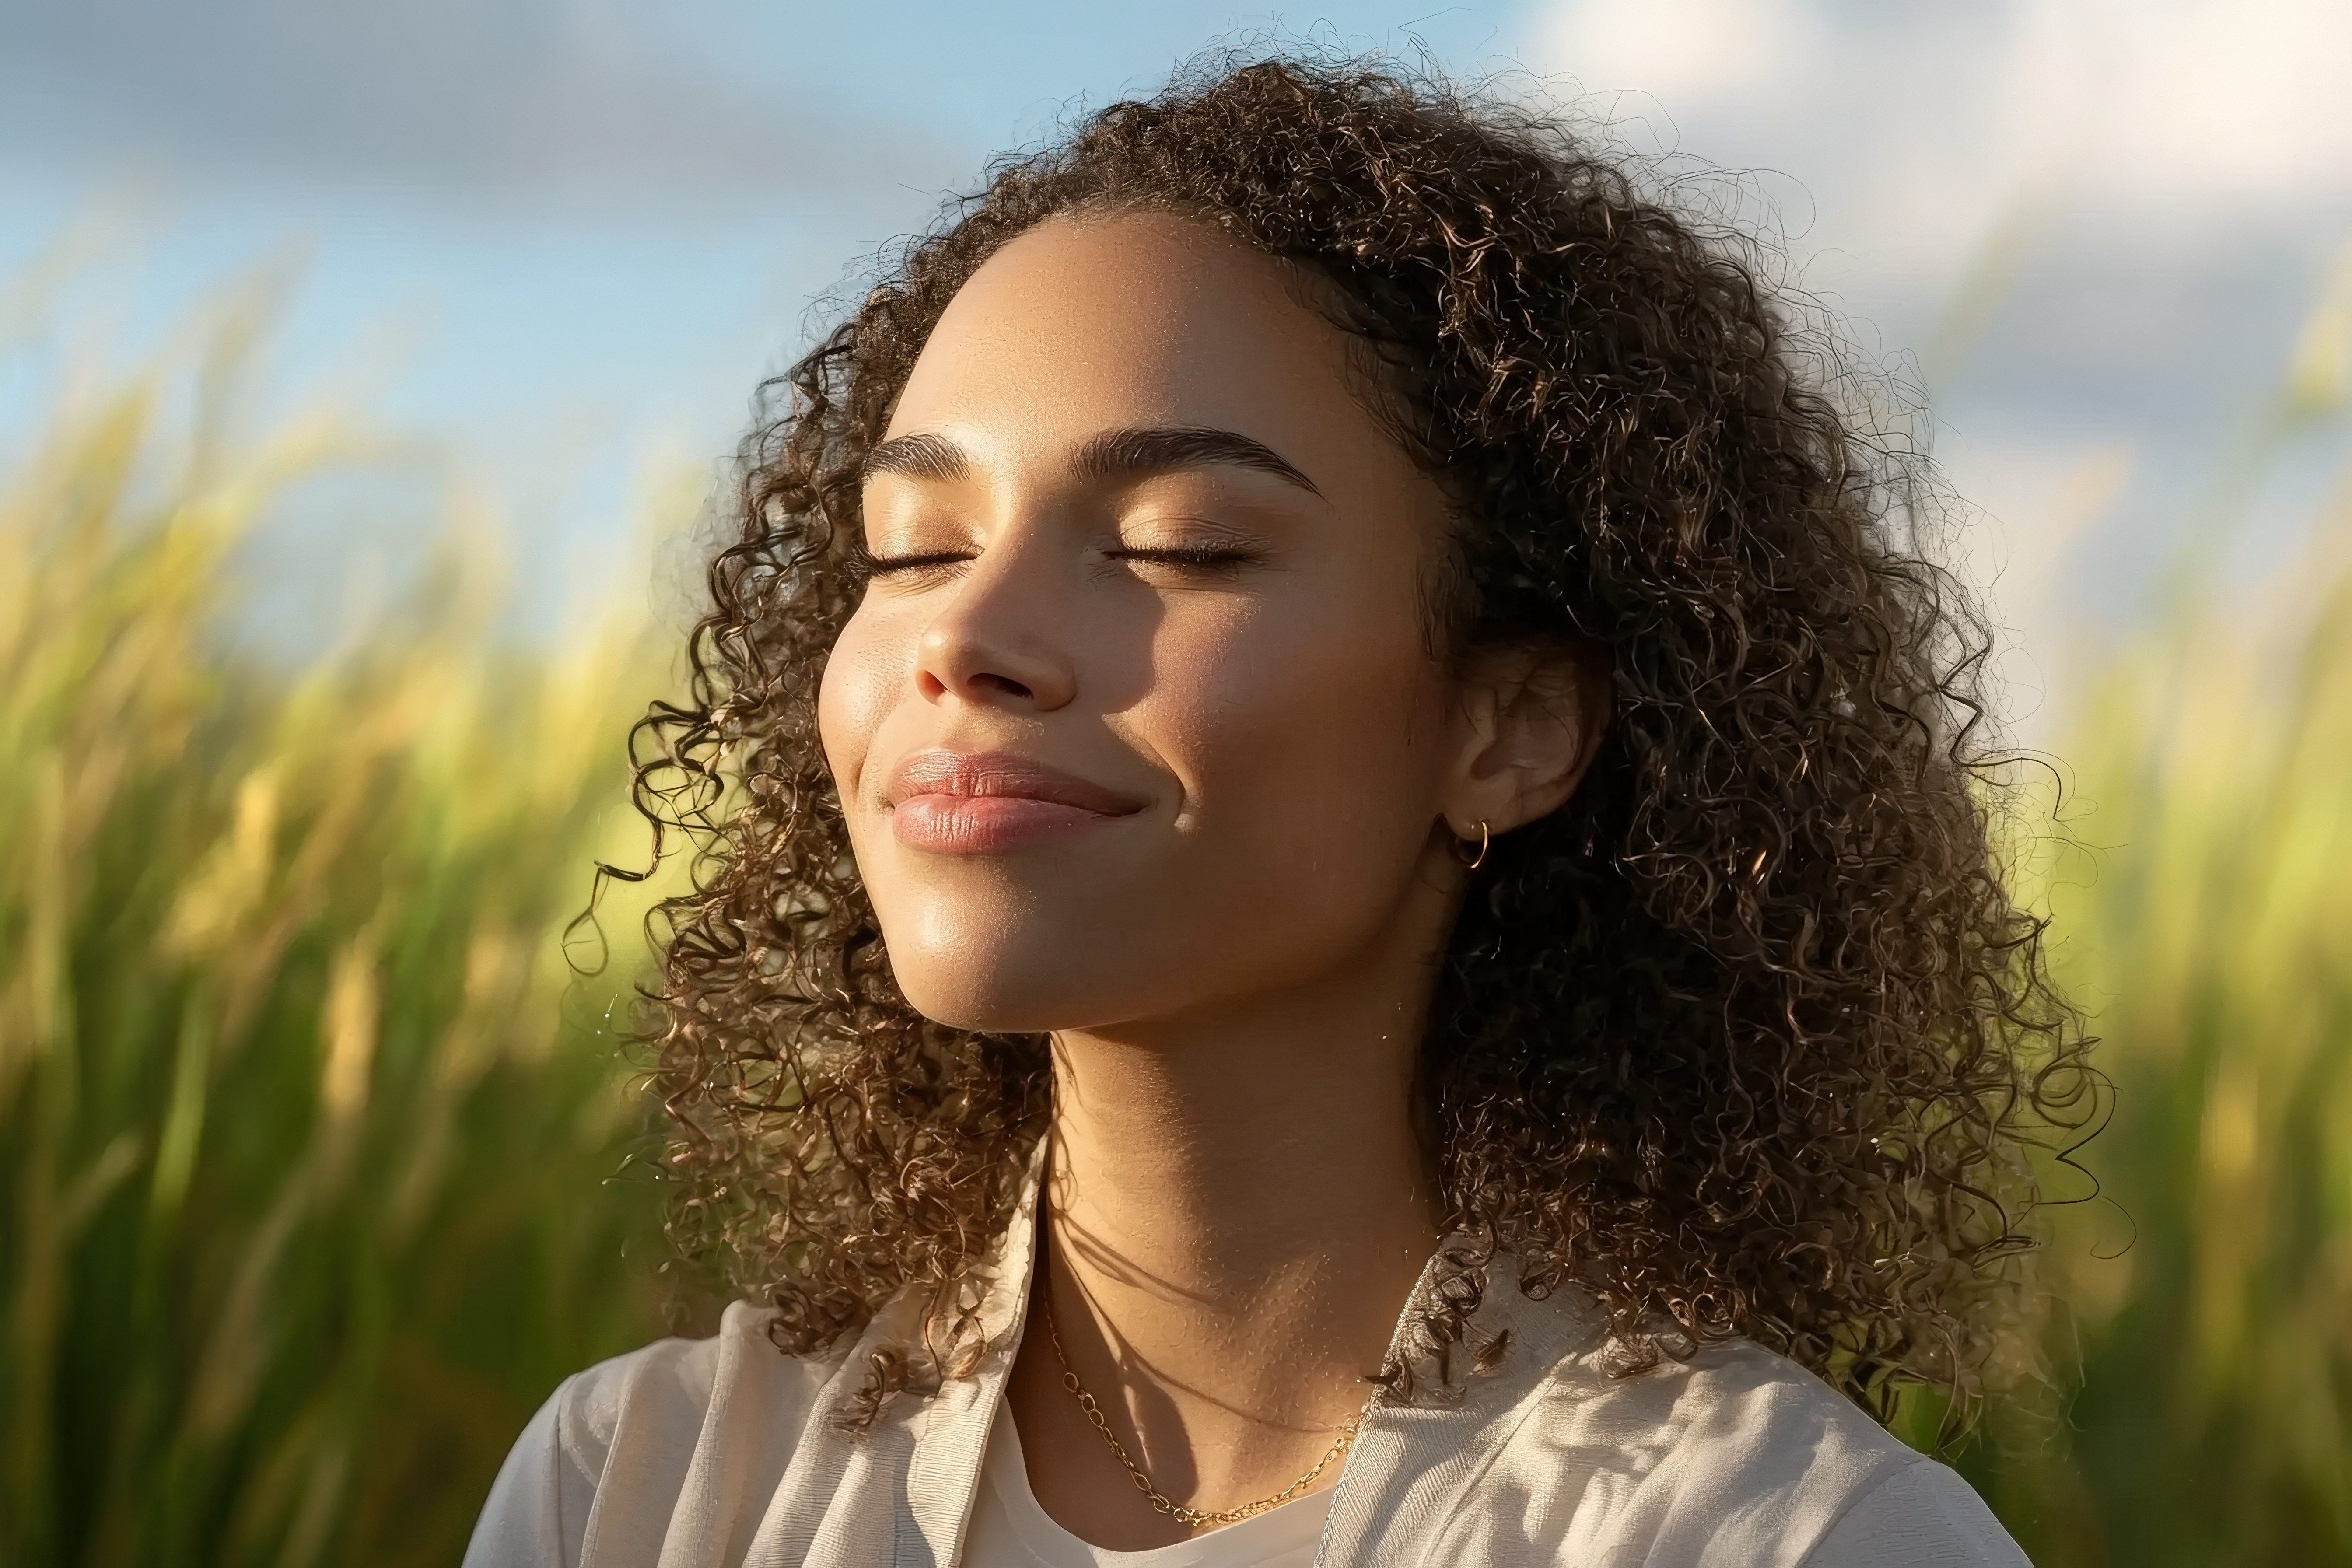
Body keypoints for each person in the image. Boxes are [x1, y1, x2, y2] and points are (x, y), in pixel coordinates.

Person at [466, 55, 2088, 1568]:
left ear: (1509, 726)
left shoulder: (1771, 1535)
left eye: (1181, 545)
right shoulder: (643, 1491)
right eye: (913, 547)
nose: (960, 637)